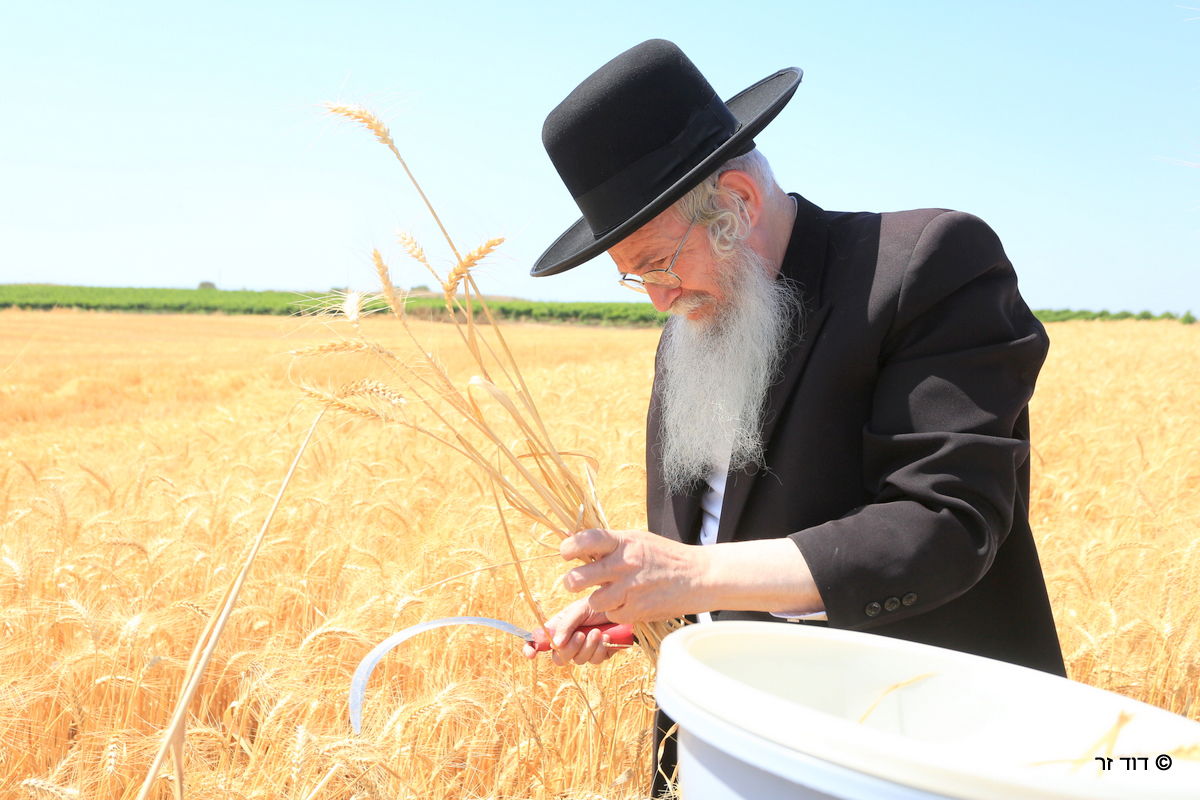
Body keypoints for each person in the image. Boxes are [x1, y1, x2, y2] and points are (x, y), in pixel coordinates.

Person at [521, 38, 1066, 792]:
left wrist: (693, 574)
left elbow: (941, 527)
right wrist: (641, 606)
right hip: (731, 752)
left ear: (738, 204)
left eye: (657, 262)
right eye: (633, 277)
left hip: (907, 755)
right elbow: (713, 539)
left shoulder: (924, 265)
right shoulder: (698, 317)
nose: (657, 297)